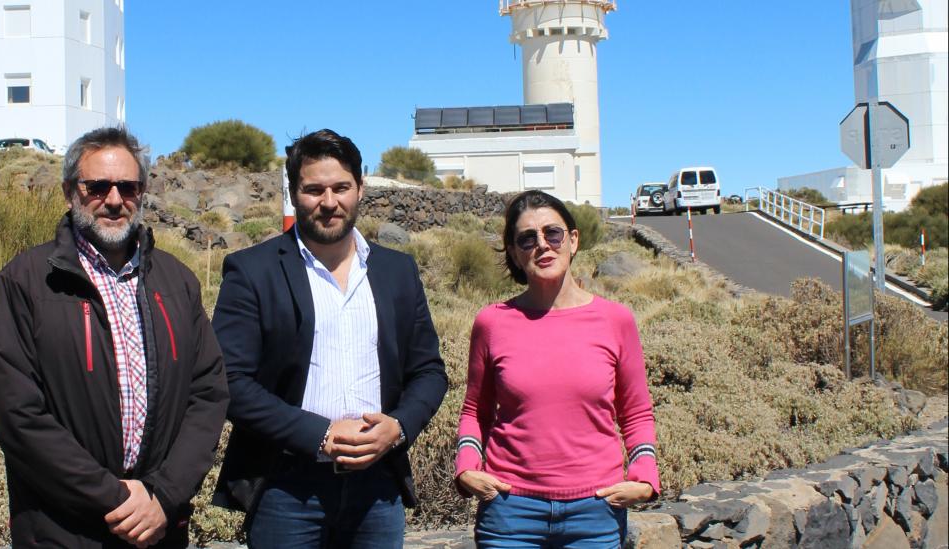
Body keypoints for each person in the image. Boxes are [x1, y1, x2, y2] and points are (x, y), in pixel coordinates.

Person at [0, 127, 229, 548]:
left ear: (142, 192)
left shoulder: (176, 281)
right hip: (62, 530)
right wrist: (116, 499)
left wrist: (162, 495)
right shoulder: (25, 282)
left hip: (159, 526)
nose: (114, 200)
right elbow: (18, 415)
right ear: (69, 192)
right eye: (97, 187)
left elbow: (207, 394)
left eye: (127, 187)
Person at [210, 129, 448, 548]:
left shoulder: (397, 272)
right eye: (314, 189)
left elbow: (428, 371)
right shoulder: (252, 271)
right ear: (294, 192)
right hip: (287, 487)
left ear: (361, 187)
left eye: (341, 187)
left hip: (378, 488)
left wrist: (398, 427)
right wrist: (318, 434)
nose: (329, 202)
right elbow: (230, 381)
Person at [454, 190, 660, 548]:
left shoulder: (616, 320)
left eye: (553, 233)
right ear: (515, 254)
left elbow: (637, 412)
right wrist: (467, 465)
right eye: (527, 239)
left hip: (596, 511)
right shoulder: (492, 323)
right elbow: (476, 410)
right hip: (509, 511)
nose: (542, 246)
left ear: (573, 240)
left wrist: (644, 474)